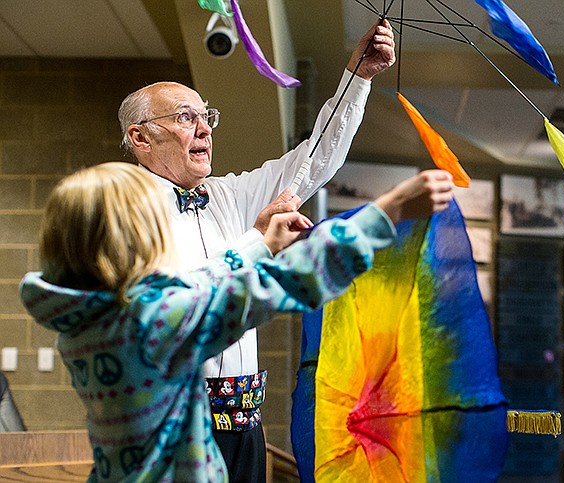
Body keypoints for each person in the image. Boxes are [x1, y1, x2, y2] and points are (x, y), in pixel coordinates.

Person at [19, 162, 453, 482]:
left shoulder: (86, 318)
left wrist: (260, 245)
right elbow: (283, 282)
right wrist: (386, 211)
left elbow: (198, 284)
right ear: (134, 239)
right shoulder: (156, 320)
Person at [117, 18, 395, 481]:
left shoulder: (225, 194)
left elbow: (312, 161)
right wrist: (258, 243)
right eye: (186, 117)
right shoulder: (122, 206)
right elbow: (183, 300)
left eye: (207, 116)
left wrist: (358, 76)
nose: (204, 129)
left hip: (245, 423)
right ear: (141, 137)